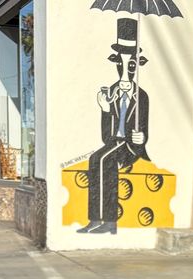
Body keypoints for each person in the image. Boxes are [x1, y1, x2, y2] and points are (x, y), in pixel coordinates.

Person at [78, 17, 150, 236]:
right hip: (114, 144)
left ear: (137, 65)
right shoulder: (112, 92)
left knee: (102, 159)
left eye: (131, 66)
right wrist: (106, 109)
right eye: (122, 65)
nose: (126, 74)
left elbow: (144, 130)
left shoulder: (142, 97)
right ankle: (95, 219)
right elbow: (106, 137)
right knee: (97, 159)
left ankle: (108, 221)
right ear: (116, 63)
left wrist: (142, 137)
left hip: (130, 149)